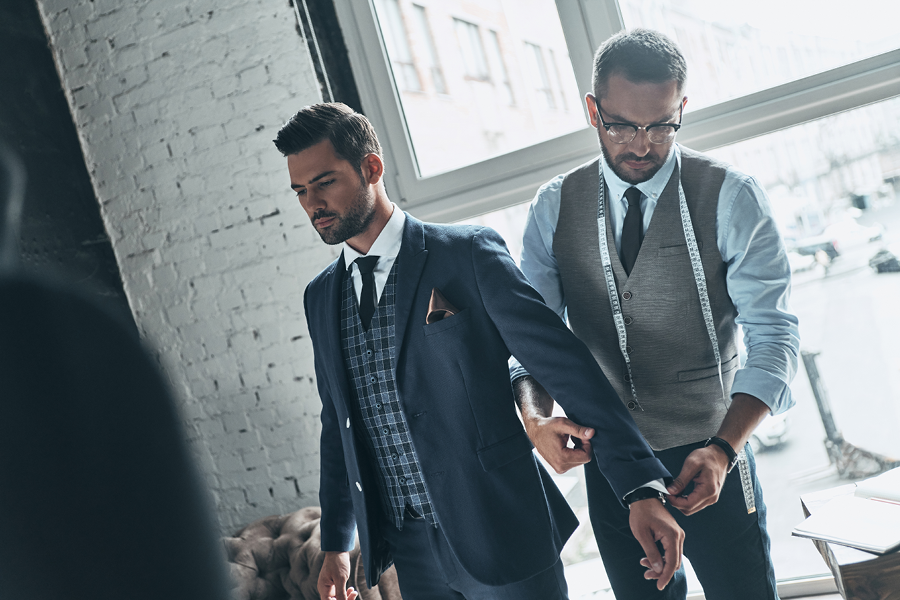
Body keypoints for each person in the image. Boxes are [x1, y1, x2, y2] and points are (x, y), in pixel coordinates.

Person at [274, 102, 684, 600]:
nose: (312, 203)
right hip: (409, 551)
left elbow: (565, 367)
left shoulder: (465, 254)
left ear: (371, 168)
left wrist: (639, 486)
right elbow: (336, 424)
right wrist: (338, 543)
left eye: (324, 182)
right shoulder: (321, 297)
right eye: (300, 191)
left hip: (500, 526)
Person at [512, 29, 800, 600]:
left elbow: (773, 337)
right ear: (593, 111)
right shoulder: (552, 208)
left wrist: (724, 449)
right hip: (613, 467)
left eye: (662, 125)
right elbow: (532, 345)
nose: (642, 144)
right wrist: (534, 421)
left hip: (714, 455)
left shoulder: (732, 196)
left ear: (682, 109)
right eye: (621, 125)